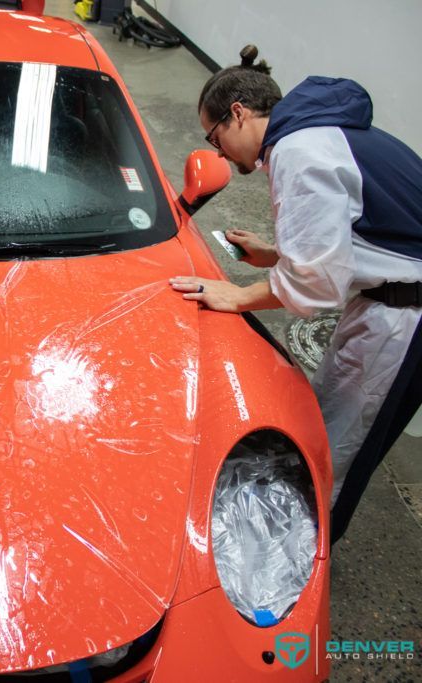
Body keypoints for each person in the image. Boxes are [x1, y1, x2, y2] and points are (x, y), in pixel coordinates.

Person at [169, 45, 422, 543]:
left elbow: (315, 284)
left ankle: (302, 554)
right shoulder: (319, 131)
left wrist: (238, 296)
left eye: (214, 136)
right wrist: (274, 254)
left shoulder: (300, 152)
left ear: (237, 113)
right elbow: (348, 234)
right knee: (328, 426)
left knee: (345, 443)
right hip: (384, 299)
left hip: (404, 318)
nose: (218, 152)